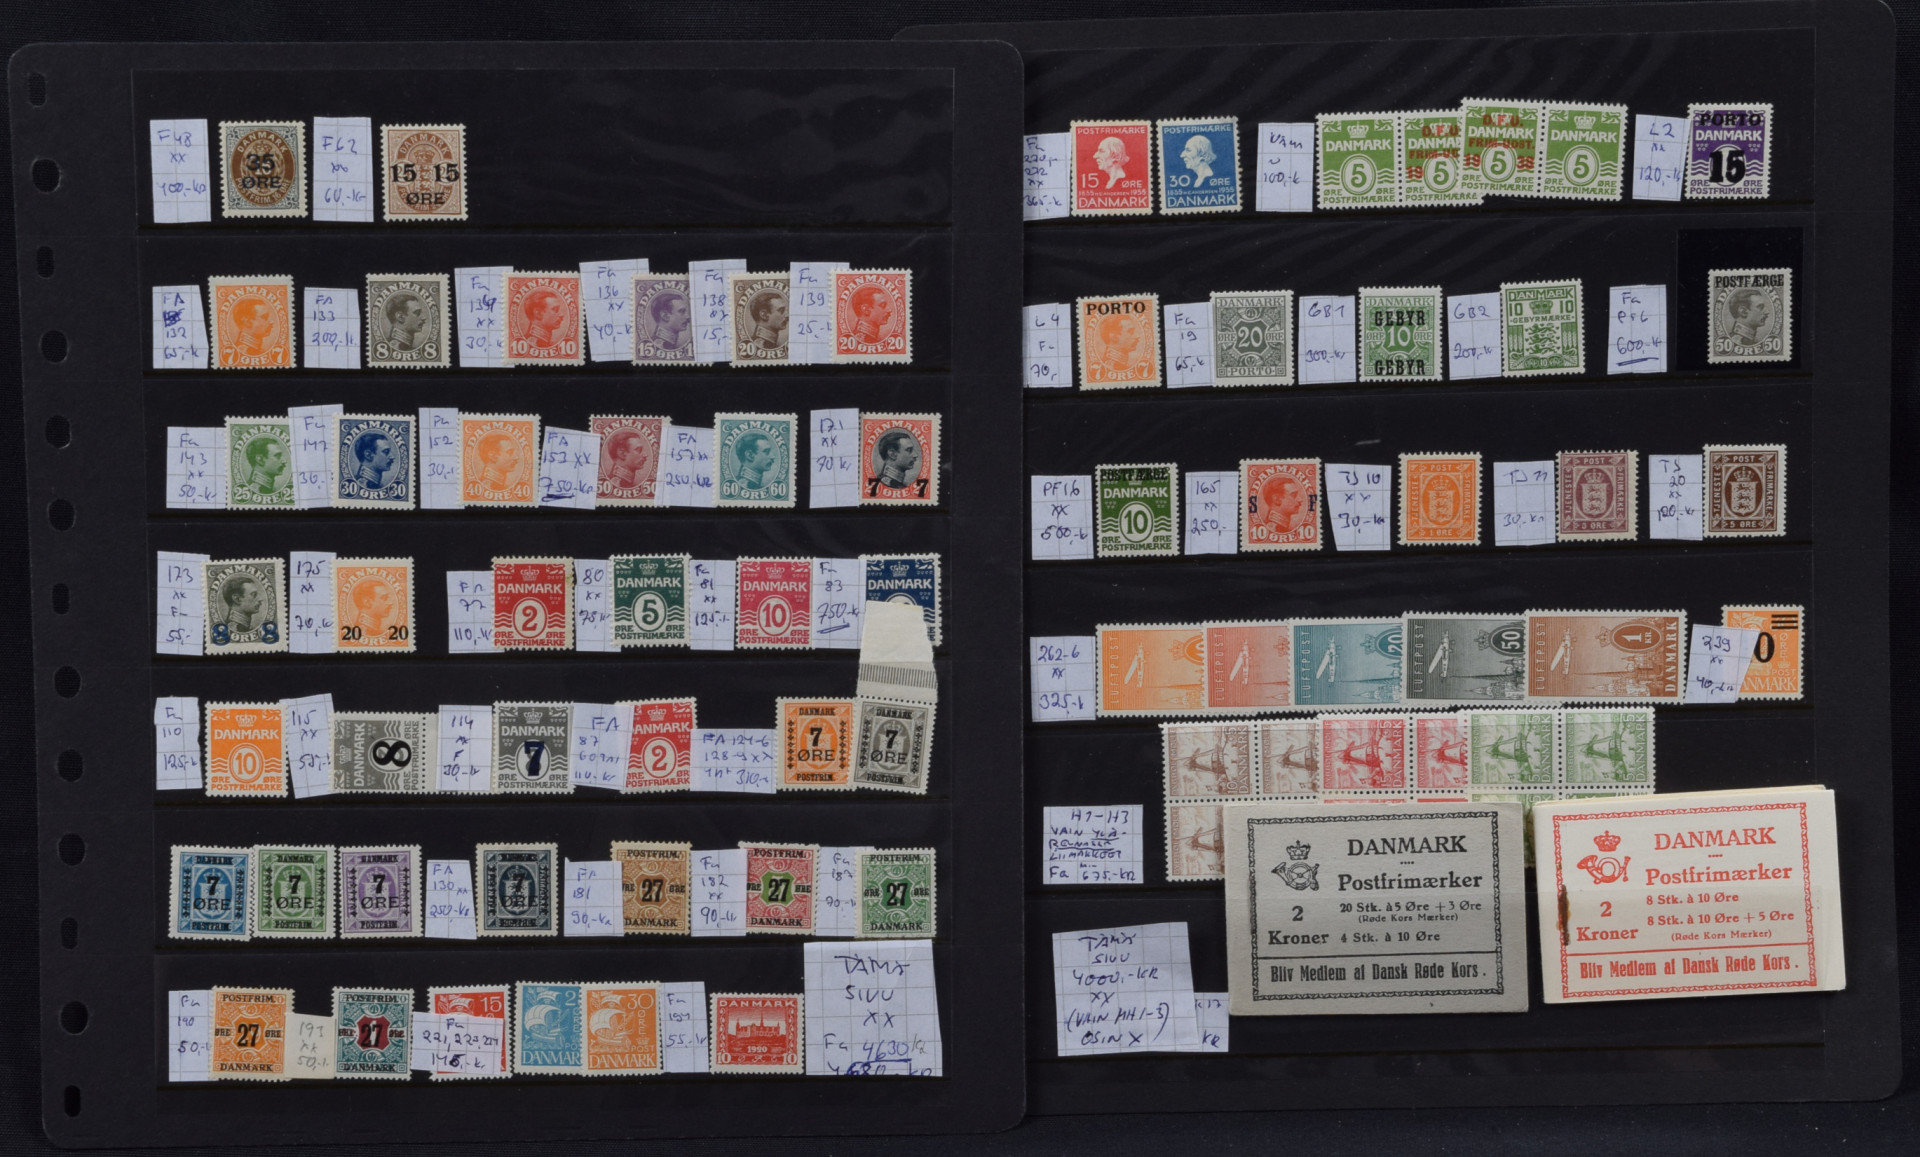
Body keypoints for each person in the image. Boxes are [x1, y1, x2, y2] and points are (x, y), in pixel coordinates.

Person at [1254, 469, 1314, 537]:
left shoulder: (1282, 528)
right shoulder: (1275, 529)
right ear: (1277, 499)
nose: (1300, 500)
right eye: (1294, 495)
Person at [645, 286, 690, 351]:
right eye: (681, 311)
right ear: (665, 316)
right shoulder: (660, 346)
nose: (688, 317)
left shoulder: (670, 345)